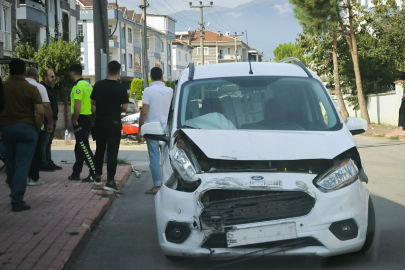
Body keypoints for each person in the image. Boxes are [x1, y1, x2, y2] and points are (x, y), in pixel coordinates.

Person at [0, 59, 44, 211]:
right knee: (22, 165)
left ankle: (14, 193)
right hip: (26, 129)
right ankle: (17, 200)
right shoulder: (31, 89)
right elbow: (40, 113)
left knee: (11, 164)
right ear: (24, 72)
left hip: (6, 129)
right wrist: (36, 129)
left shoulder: (3, 87)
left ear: (9, 70)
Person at [91, 61, 129, 192]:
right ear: (119, 72)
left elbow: (93, 102)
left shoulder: (99, 85)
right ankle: (110, 182)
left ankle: (97, 177)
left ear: (107, 70)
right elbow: (125, 107)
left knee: (100, 150)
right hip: (114, 123)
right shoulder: (121, 88)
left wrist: (100, 110)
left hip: (100, 122)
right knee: (112, 152)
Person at [137, 67, 173, 195]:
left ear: (151, 77)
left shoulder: (148, 91)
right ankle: (168, 185)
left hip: (152, 130)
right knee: (166, 159)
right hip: (166, 130)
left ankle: (157, 186)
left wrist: (140, 129)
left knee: (154, 158)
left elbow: (144, 112)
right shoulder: (170, 91)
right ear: (162, 76)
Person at [68, 64, 96, 182]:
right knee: (79, 147)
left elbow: (77, 104)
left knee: (84, 147)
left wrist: (75, 119)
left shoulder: (78, 87)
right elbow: (93, 104)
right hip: (89, 118)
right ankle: (76, 173)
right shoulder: (88, 85)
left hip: (81, 120)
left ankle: (94, 172)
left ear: (72, 73)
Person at [26, 67, 54, 186]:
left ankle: (14, 177)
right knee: (35, 152)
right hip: (34, 125)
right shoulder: (39, 87)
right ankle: (33, 178)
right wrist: (50, 123)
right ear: (37, 77)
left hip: (14, 124)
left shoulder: (14, 86)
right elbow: (45, 107)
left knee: (19, 153)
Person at [40, 70, 62, 171]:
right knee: (44, 142)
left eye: (54, 77)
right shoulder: (42, 88)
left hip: (53, 119)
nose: (54, 79)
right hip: (46, 120)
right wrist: (49, 121)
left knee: (49, 142)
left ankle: (49, 161)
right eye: (51, 77)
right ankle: (43, 163)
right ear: (45, 78)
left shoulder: (50, 89)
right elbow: (45, 106)